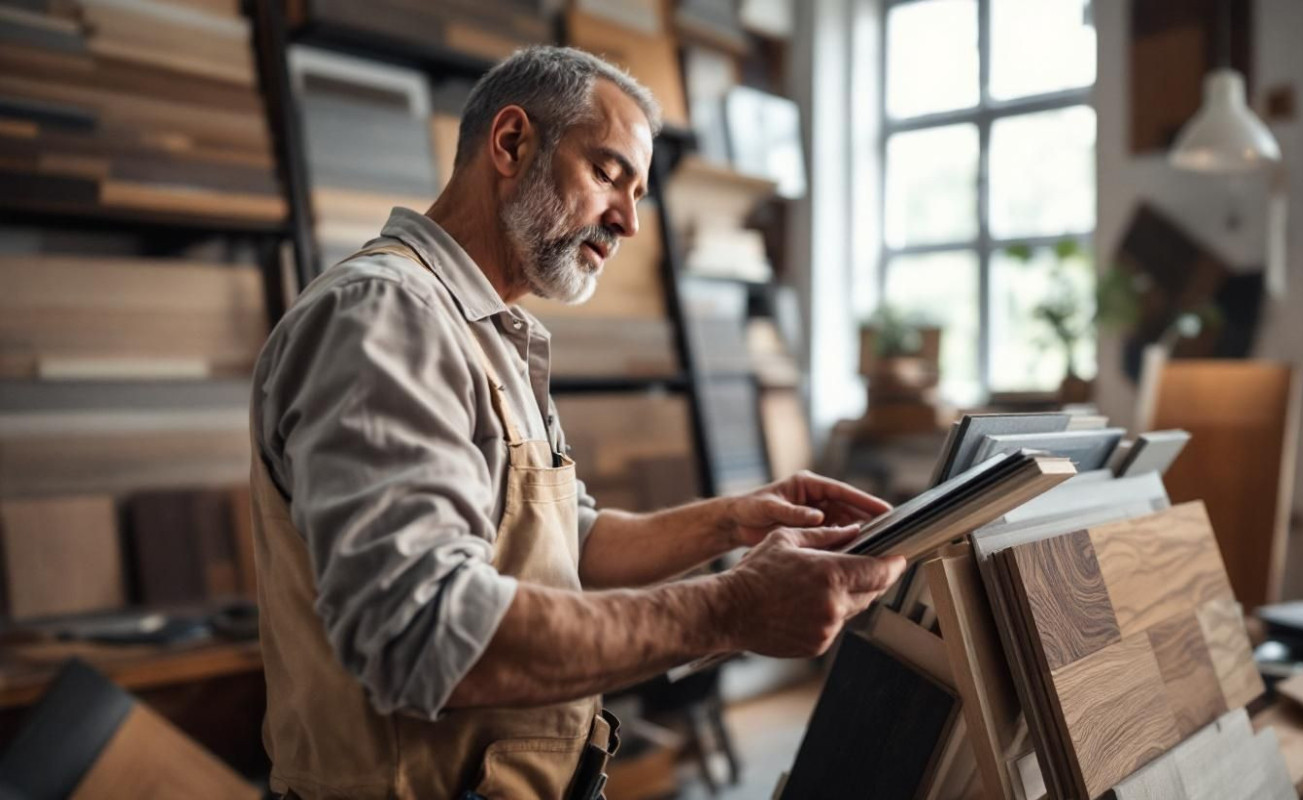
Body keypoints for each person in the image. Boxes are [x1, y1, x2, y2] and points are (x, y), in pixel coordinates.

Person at [248, 46, 905, 800]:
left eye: (637, 191)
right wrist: (736, 608)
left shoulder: (487, 328)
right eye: (607, 174)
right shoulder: (386, 316)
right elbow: (423, 635)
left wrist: (736, 523)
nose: (627, 220)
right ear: (511, 143)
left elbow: (568, 547)